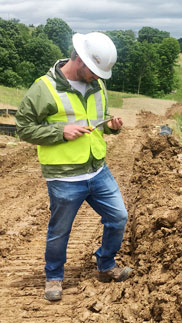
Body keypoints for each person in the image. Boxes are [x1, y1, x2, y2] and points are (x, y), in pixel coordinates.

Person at [15, 32, 132, 302]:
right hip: (65, 177)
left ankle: (105, 265)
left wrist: (111, 127)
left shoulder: (97, 84)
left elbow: (97, 119)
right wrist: (60, 131)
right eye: (93, 71)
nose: (98, 77)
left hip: (98, 170)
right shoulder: (44, 88)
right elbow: (24, 128)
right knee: (60, 231)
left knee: (118, 218)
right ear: (78, 59)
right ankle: (54, 276)